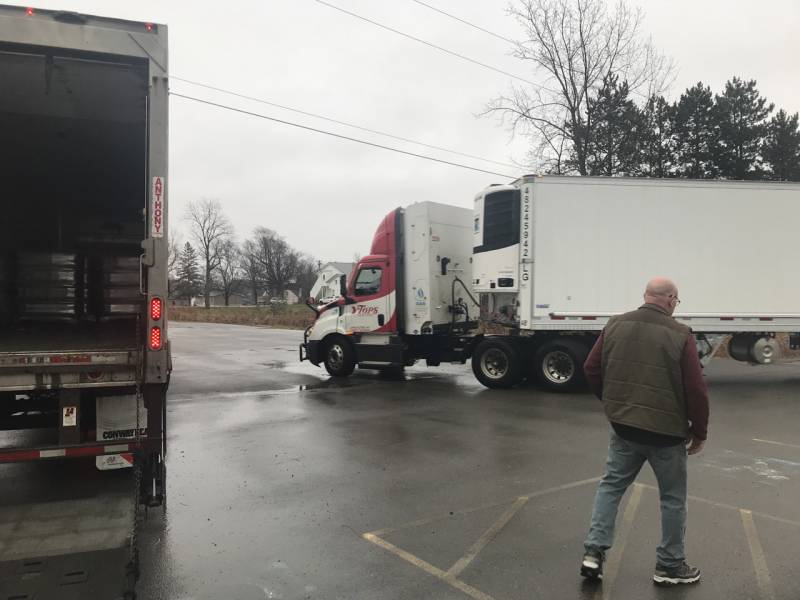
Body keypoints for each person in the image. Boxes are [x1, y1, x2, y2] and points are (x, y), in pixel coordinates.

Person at [579, 277, 709, 586]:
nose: (676, 305)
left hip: (625, 429)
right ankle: (670, 565)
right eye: (676, 301)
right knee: (673, 499)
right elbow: (696, 389)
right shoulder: (680, 334)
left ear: (646, 296)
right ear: (670, 299)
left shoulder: (614, 325)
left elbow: (591, 368)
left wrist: (613, 404)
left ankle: (593, 554)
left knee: (611, 487)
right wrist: (699, 431)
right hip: (667, 435)